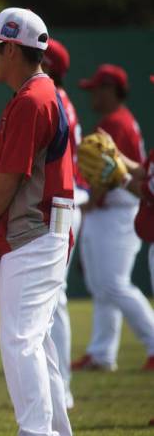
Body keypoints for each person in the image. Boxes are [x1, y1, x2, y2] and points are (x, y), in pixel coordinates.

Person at [0, 7, 80, 436]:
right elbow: (1, 169)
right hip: (41, 227)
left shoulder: (34, 99)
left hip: (35, 229)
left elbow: (12, 176)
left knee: (20, 339)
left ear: (11, 47)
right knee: (41, 342)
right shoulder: (33, 95)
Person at [71, 64, 154, 372]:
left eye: (97, 89)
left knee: (114, 284)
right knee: (101, 286)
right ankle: (102, 352)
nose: (92, 94)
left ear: (111, 91)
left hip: (119, 210)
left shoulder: (118, 123)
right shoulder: (114, 121)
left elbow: (108, 176)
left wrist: (91, 201)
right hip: (110, 210)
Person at [41, 39, 86, 407]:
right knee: (54, 298)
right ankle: (59, 387)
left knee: (55, 298)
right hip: (65, 204)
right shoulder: (57, 99)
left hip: (62, 205)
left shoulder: (52, 99)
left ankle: (62, 389)